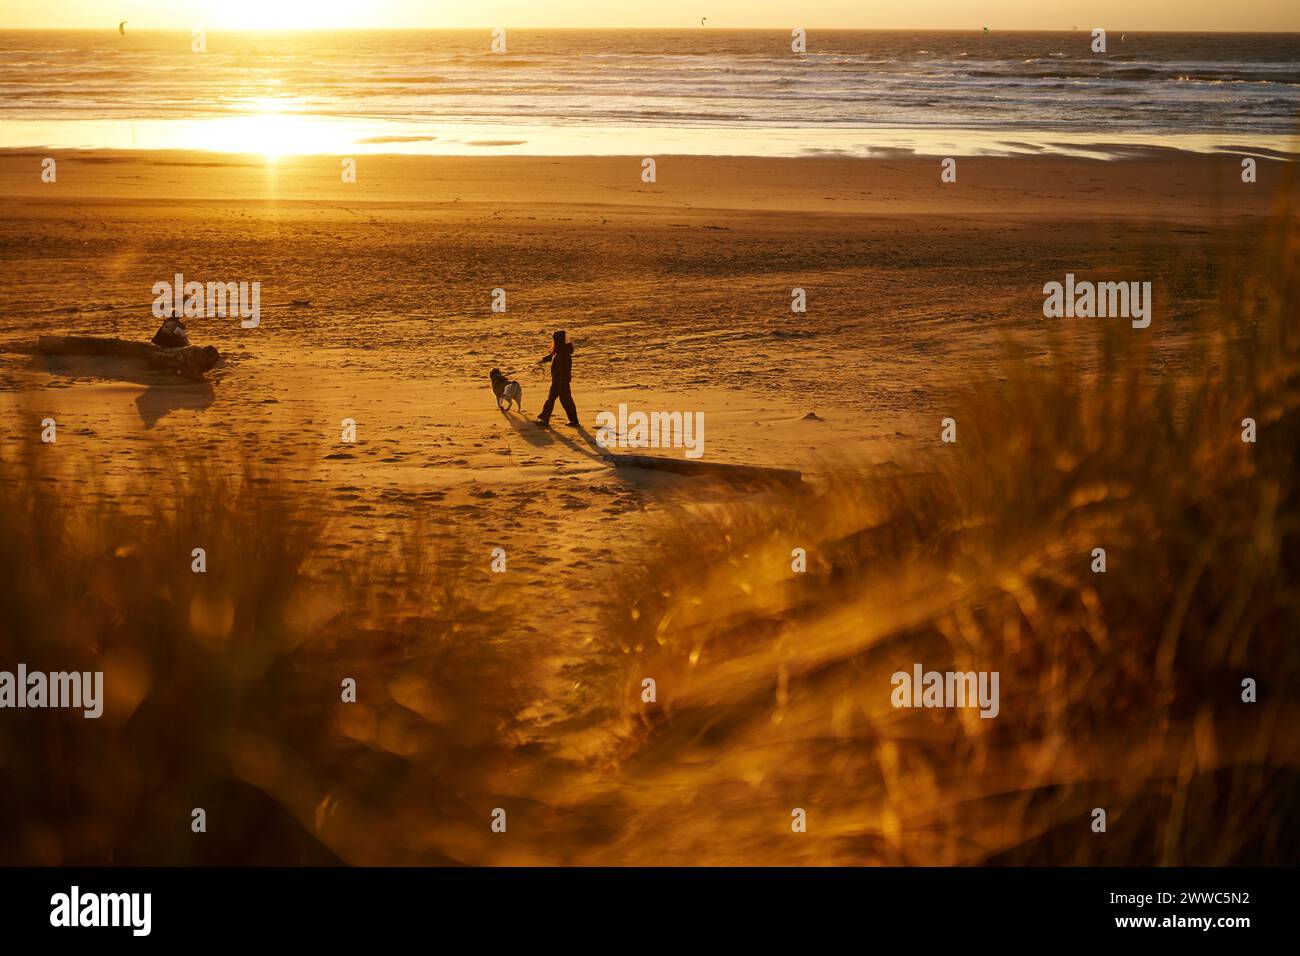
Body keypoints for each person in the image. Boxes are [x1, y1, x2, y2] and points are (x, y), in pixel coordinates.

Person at [536, 329, 579, 426]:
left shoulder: (562, 352)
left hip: (561, 380)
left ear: (557, 340)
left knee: (564, 400)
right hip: (559, 379)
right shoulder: (561, 349)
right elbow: (553, 355)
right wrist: (547, 358)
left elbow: (564, 368)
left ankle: (546, 419)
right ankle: (545, 418)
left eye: (554, 339)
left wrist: (560, 382)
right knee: (558, 399)